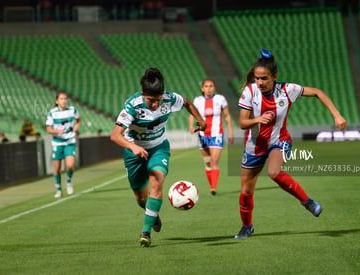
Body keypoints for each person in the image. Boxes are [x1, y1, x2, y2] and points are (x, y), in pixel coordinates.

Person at [234, 49, 346, 239]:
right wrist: (258, 119)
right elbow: (242, 123)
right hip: (254, 147)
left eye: (264, 78)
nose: (260, 82)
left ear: (274, 77)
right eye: (257, 78)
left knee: (274, 172)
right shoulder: (249, 92)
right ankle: (247, 227)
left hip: (280, 141)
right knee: (245, 191)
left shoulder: (287, 90)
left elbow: (317, 92)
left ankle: (307, 202)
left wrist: (337, 115)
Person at [110, 67, 207, 247]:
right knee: (141, 198)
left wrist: (201, 120)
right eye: (150, 100)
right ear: (142, 95)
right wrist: (133, 147)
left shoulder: (170, 98)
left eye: (158, 100)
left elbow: (186, 102)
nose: (154, 104)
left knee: (157, 179)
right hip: (134, 153)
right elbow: (115, 135)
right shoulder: (133, 105)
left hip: (158, 149)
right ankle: (152, 214)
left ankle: (145, 232)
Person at [188, 79, 234, 195]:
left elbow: (227, 116)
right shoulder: (198, 101)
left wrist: (231, 132)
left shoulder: (220, 99)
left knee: (214, 161)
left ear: (214, 88)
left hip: (217, 134)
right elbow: (192, 115)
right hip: (203, 135)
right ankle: (211, 185)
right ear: (202, 88)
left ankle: (214, 187)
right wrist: (191, 126)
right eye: (206, 86)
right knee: (207, 163)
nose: (209, 88)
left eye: (211, 86)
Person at [46, 92, 81, 198]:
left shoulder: (72, 110)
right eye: (61, 99)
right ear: (57, 101)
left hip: (70, 141)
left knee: (70, 166)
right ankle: (58, 189)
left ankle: (69, 182)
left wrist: (77, 126)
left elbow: (79, 120)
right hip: (57, 142)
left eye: (65, 98)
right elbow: (48, 129)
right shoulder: (52, 113)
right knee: (57, 169)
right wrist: (57, 131)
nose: (64, 101)